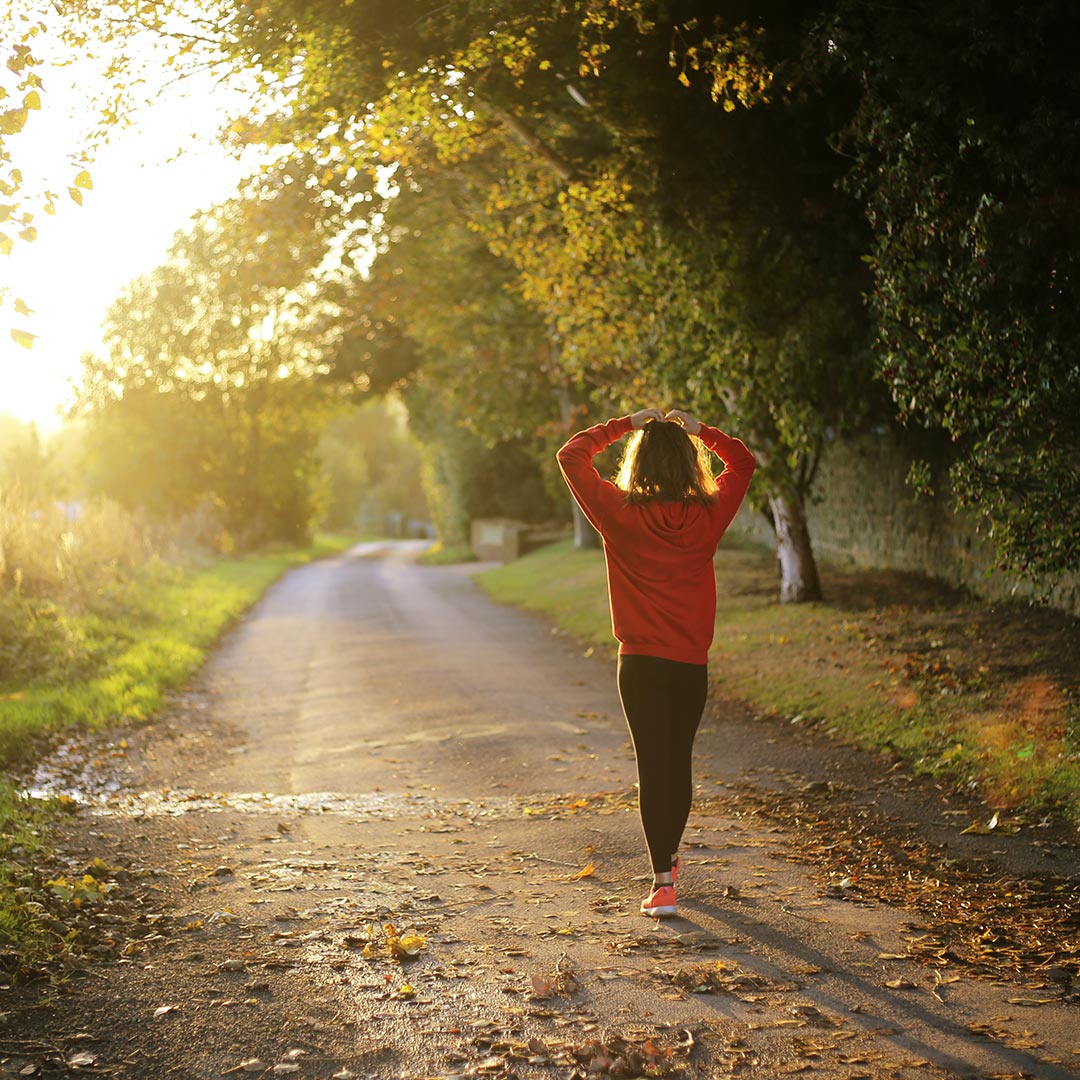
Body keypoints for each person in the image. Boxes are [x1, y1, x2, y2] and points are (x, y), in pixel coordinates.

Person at [556, 407, 756, 918]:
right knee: (678, 762)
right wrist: (702, 432)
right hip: (690, 663)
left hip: (640, 664)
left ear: (638, 463)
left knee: (652, 766)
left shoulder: (618, 513)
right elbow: (744, 461)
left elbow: (571, 455)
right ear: (690, 465)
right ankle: (667, 860)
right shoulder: (709, 514)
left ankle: (663, 882)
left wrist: (625, 424)